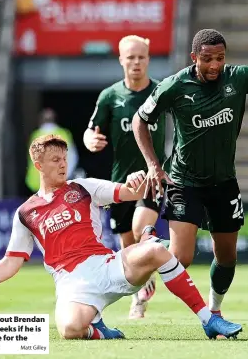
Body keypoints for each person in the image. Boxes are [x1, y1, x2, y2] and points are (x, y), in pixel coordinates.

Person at [0, 134, 242, 340]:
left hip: (107, 265)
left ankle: (209, 319)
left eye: (64, 158)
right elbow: (11, 262)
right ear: (39, 166)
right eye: (55, 160)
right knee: (69, 330)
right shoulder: (25, 212)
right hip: (72, 285)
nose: (62, 164)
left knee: (159, 254)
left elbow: (127, 192)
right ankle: (98, 328)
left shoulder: (81, 187)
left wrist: (136, 181)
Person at [132, 29, 248, 321]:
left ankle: (215, 308)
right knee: (181, 259)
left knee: (227, 257)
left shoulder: (239, 77)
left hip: (224, 181)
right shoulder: (174, 86)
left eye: (220, 58)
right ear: (194, 58)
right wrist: (154, 165)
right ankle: (152, 248)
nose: (214, 65)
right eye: (207, 59)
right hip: (184, 181)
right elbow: (141, 120)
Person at [83, 35, 167, 319]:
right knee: (127, 249)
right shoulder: (110, 96)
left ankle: (139, 299)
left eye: (141, 57)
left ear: (148, 59)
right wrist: (89, 141)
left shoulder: (160, 91)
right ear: (121, 60)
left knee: (141, 231)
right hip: (120, 182)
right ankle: (144, 288)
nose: (136, 62)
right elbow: (91, 130)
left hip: (152, 179)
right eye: (130, 57)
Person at [26, 108, 79, 193]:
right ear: (55, 119)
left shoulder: (35, 135)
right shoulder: (63, 134)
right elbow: (73, 157)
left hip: (37, 183)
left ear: (40, 120)